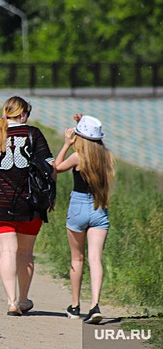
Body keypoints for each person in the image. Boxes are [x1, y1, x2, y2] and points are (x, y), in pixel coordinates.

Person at [0, 96, 55, 316]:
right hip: (30, 202)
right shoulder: (33, 134)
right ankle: (23, 299)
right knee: (25, 253)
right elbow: (49, 167)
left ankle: (11, 301)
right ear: (23, 114)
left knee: (7, 252)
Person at [54, 115, 114, 324]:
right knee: (95, 259)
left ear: (81, 137)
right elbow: (97, 143)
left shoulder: (78, 156)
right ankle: (95, 305)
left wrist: (66, 143)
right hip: (99, 208)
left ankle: (75, 305)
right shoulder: (105, 157)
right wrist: (86, 127)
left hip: (78, 207)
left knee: (77, 258)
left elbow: (56, 167)